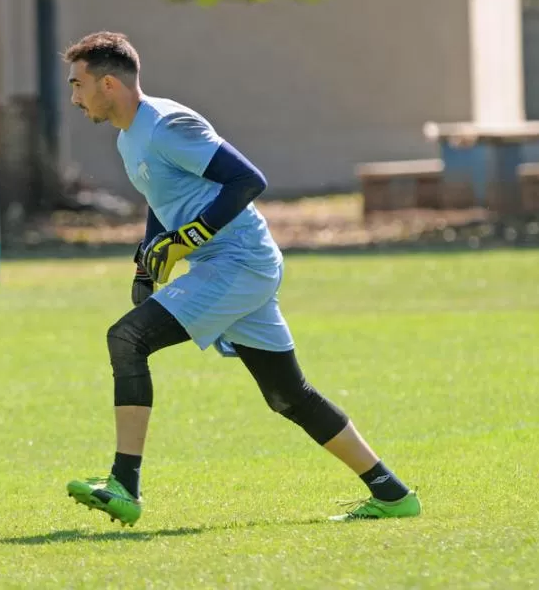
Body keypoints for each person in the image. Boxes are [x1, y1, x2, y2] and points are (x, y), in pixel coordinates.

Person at [62, 31, 420, 525]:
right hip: (226, 266)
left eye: (77, 85)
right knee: (287, 395)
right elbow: (161, 198)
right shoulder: (130, 136)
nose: (74, 98)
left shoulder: (166, 125)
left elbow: (248, 180)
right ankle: (393, 493)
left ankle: (125, 485)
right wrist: (149, 259)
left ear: (107, 84)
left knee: (127, 338)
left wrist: (190, 236)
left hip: (239, 263)